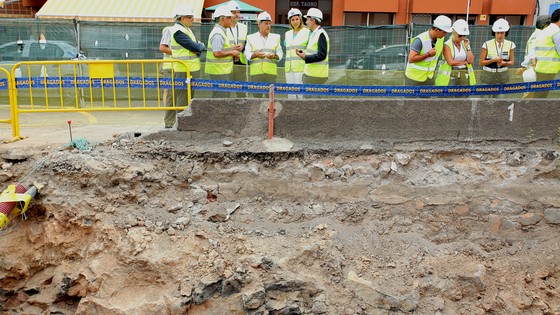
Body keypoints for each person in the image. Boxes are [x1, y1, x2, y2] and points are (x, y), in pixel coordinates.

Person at [164, 5, 205, 128]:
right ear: (182, 18)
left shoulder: (186, 30)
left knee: (188, 96)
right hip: (183, 69)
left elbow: (195, 47)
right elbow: (196, 47)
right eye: (190, 17)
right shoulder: (177, 31)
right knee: (182, 97)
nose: (192, 19)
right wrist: (200, 46)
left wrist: (198, 46)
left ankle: (183, 122)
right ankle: (181, 124)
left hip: (189, 68)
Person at [405, 15, 452, 86]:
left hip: (429, 78)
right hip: (414, 79)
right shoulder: (420, 40)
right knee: (412, 97)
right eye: (444, 32)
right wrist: (428, 54)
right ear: (436, 30)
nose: (445, 35)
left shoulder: (440, 40)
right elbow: (411, 59)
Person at [244, 11, 283, 98]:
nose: (268, 26)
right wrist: (255, 55)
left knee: (270, 98)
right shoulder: (251, 38)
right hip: (256, 74)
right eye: (266, 23)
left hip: (271, 74)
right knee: (257, 98)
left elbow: (280, 53)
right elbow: (247, 54)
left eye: (269, 23)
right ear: (259, 25)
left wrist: (274, 56)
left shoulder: (276, 37)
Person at [205, 5, 240, 97]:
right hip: (218, 71)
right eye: (229, 18)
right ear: (222, 19)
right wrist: (232, 52)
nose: (231, 20)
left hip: (220, 70)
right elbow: (216, 53)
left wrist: (232, 49)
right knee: (220, 98)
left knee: (222, 97)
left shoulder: (221, 32)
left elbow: (221, 49)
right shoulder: (218, 33)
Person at [517, 15, 550, 97]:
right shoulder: (538, 35)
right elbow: (532, 50)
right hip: (532, 70)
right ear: (545, 25)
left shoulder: (537, 34)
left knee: (530, 95)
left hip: (531, 70)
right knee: (531, 96)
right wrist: (533, 63)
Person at [435, 19, 476, 86]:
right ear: (454, 32)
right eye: (460, 35)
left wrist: (468, 47)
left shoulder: (465, 44)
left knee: (463, 95)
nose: (462, 37)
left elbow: (471, 60)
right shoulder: (447, 45)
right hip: (449, 78)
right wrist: (465, 62)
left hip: (463, 76)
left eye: (464, 35)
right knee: (450, 95)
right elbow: (451, 62)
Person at [295, 8, 330, 86]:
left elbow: (322, 55)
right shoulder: (314, 33)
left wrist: (306, 57)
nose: (306, 22)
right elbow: (314, 52)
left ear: (313, 21)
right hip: (311, 74)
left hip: (316, 76)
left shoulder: (321, 34)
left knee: (313, 98)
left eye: (307, 20)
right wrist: (304, 54)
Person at [479, 18, 515, 88]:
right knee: (485, 97)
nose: (499, 35)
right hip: (487, 75)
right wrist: (493, 60)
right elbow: (481, 62)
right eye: (497, 33)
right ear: (494, 33)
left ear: (506, 32)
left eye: (502, 33)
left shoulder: (511, 45)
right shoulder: (486, 44)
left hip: (502, 76)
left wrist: (504, 63)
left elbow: (512, 62)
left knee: (499, 98)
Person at [284, 8, 310, 99]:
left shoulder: (307, 32)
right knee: (290, 92)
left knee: (300, 92)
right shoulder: (287, 34)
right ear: (290, 21)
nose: (295, 21)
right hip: (288, 68)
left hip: (300, 67)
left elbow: (310, 48)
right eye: (293, 20)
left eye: (297, 19)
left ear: (300, 19)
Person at [534, 9, 560, 98]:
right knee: (541, 96)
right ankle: (535, 111)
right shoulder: (556, 32)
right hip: (549, 69)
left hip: (541, 67)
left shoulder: (545, 31)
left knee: (539, 95)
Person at [227, 0, 248, 97]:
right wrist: (231, 50)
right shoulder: (223, 27)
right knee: (226, 90)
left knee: (241, 90)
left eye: (238, 12)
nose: (237, 14)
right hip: (227, 62)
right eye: (234, 12)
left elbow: (247, 43)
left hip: (240, 62)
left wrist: (243, 46)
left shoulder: (244, 27)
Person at [158, 25, 173, 127]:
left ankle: (168, 112)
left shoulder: (167, 31)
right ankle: (168, 116)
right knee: (168, 92)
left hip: (170, 65)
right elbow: (163, 48)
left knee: (167, 91)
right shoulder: (169, 32)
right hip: (169, 66)